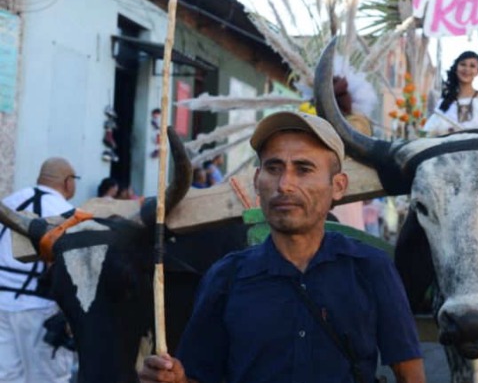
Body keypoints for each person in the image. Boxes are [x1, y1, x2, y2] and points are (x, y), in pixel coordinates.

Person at [139, 111, 425, 383]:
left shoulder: (371, 268)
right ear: (256, 181)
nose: (285, 184)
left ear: (338, 186)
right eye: (273, 168)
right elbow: (197, 377)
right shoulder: (225, 278)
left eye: (303, 169)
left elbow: (410, 376)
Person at [0, 157, 77, 382]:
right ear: (68, 181)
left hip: (2, 304)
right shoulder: (67, 213)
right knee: (49, 377)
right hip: (42, 309)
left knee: (7, 376)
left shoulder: (9, 203)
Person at [422, 51, 478, 136]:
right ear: (456, 68)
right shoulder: (446, 102)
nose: (467, 69)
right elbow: (430, 131)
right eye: (463, 64)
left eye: (472, 66)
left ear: (477, 72)